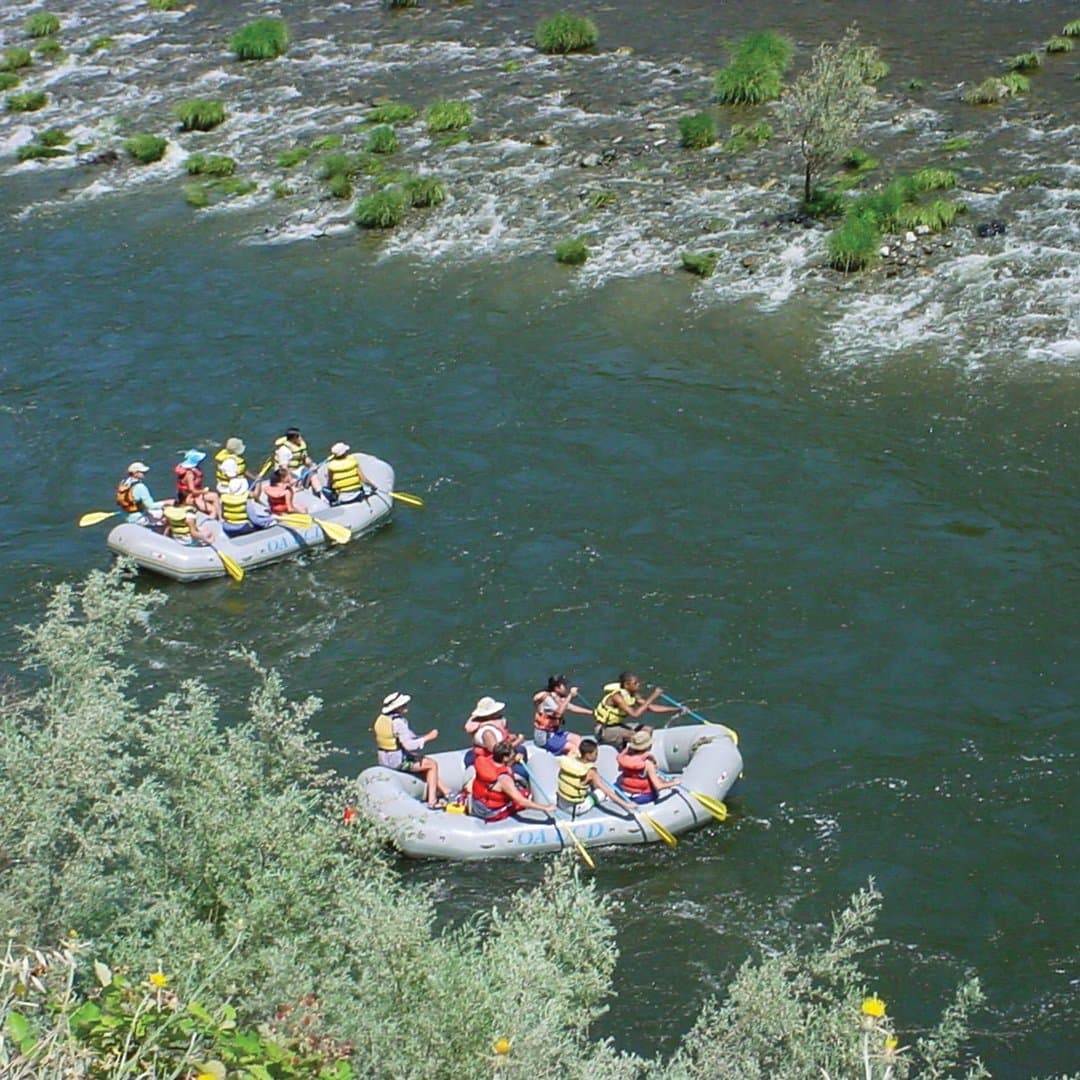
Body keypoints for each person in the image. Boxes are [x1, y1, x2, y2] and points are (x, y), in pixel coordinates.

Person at [373, 692, 450, 809]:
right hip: (397, 761)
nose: (406, 706)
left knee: (420, 761)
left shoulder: (381, 719)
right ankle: (432, 802)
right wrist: (428, 737)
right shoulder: (398, 723)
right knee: (432, 764)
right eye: (403, 705)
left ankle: (446, 791)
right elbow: (409, 746)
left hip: (384, 759)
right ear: (397, 707)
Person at [593, 671, 684, 749]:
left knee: (648, 729)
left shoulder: (632, 695)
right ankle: (631, 756)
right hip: (604, 730)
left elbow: (651, 708)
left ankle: (636, 752)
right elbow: (635, 714)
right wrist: (653, 696)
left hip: (617, 725)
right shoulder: (617, 697)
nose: (638, 684)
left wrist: (676, 709)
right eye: (635, 683)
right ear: (626, 685)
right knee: (637, 736)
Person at [471, 740, 553, 822]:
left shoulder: (486, 760)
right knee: (525, 794)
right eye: (513, 755)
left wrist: (514, 759)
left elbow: (505, 764)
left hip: (477, 804)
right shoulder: (504, 779)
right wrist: (545, 808)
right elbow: (521, 801)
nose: (514, 757)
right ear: (505, 758)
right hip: (490, 812)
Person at [556, 738, 637, 818]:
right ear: (588, 755)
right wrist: (626, 804)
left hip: (561, 803)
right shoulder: (591, 772)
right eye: (596, 754)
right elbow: (606, 791)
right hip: (575, 809)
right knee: (602, 793)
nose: (597, 756)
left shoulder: (570, 759)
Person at [616, 729, 680, 803]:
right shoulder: (647, 764)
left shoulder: (624, 758)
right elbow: (658, 786)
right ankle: (667, 781)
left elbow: (620, 769)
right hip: (642, 797)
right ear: (649, 747)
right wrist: (675, 783)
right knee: (658, 780)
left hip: (625, 793)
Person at [532, 675, 591, 755]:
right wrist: (570, 695)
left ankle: (579, 760)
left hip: (554, 732)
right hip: (544, 737)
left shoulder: (558, 697)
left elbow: (572, 707)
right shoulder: (547, 699)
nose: (566, 688)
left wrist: (592, 713)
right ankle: (572, 764)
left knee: (577, 739)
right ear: (557, 688)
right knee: (572, 747)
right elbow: (559, 712)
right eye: (564, 686)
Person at [115, 462, 170, 526]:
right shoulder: (140, 487)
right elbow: (150, 506)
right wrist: (167, 502)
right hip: (138, 519)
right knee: (167, 518)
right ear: (135, 473)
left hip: (127, 516)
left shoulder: (124, 483)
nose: (145, 473)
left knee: (157, 512)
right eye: (142, 472)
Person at [174, 449, 221, 519]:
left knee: (215, 496)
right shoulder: (190, 474)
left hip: (195, 495)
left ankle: (220, 519)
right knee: (212, 510)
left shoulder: (188, 469)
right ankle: (208, 523)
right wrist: (203, 491)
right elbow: (192, 490)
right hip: (190, 498)